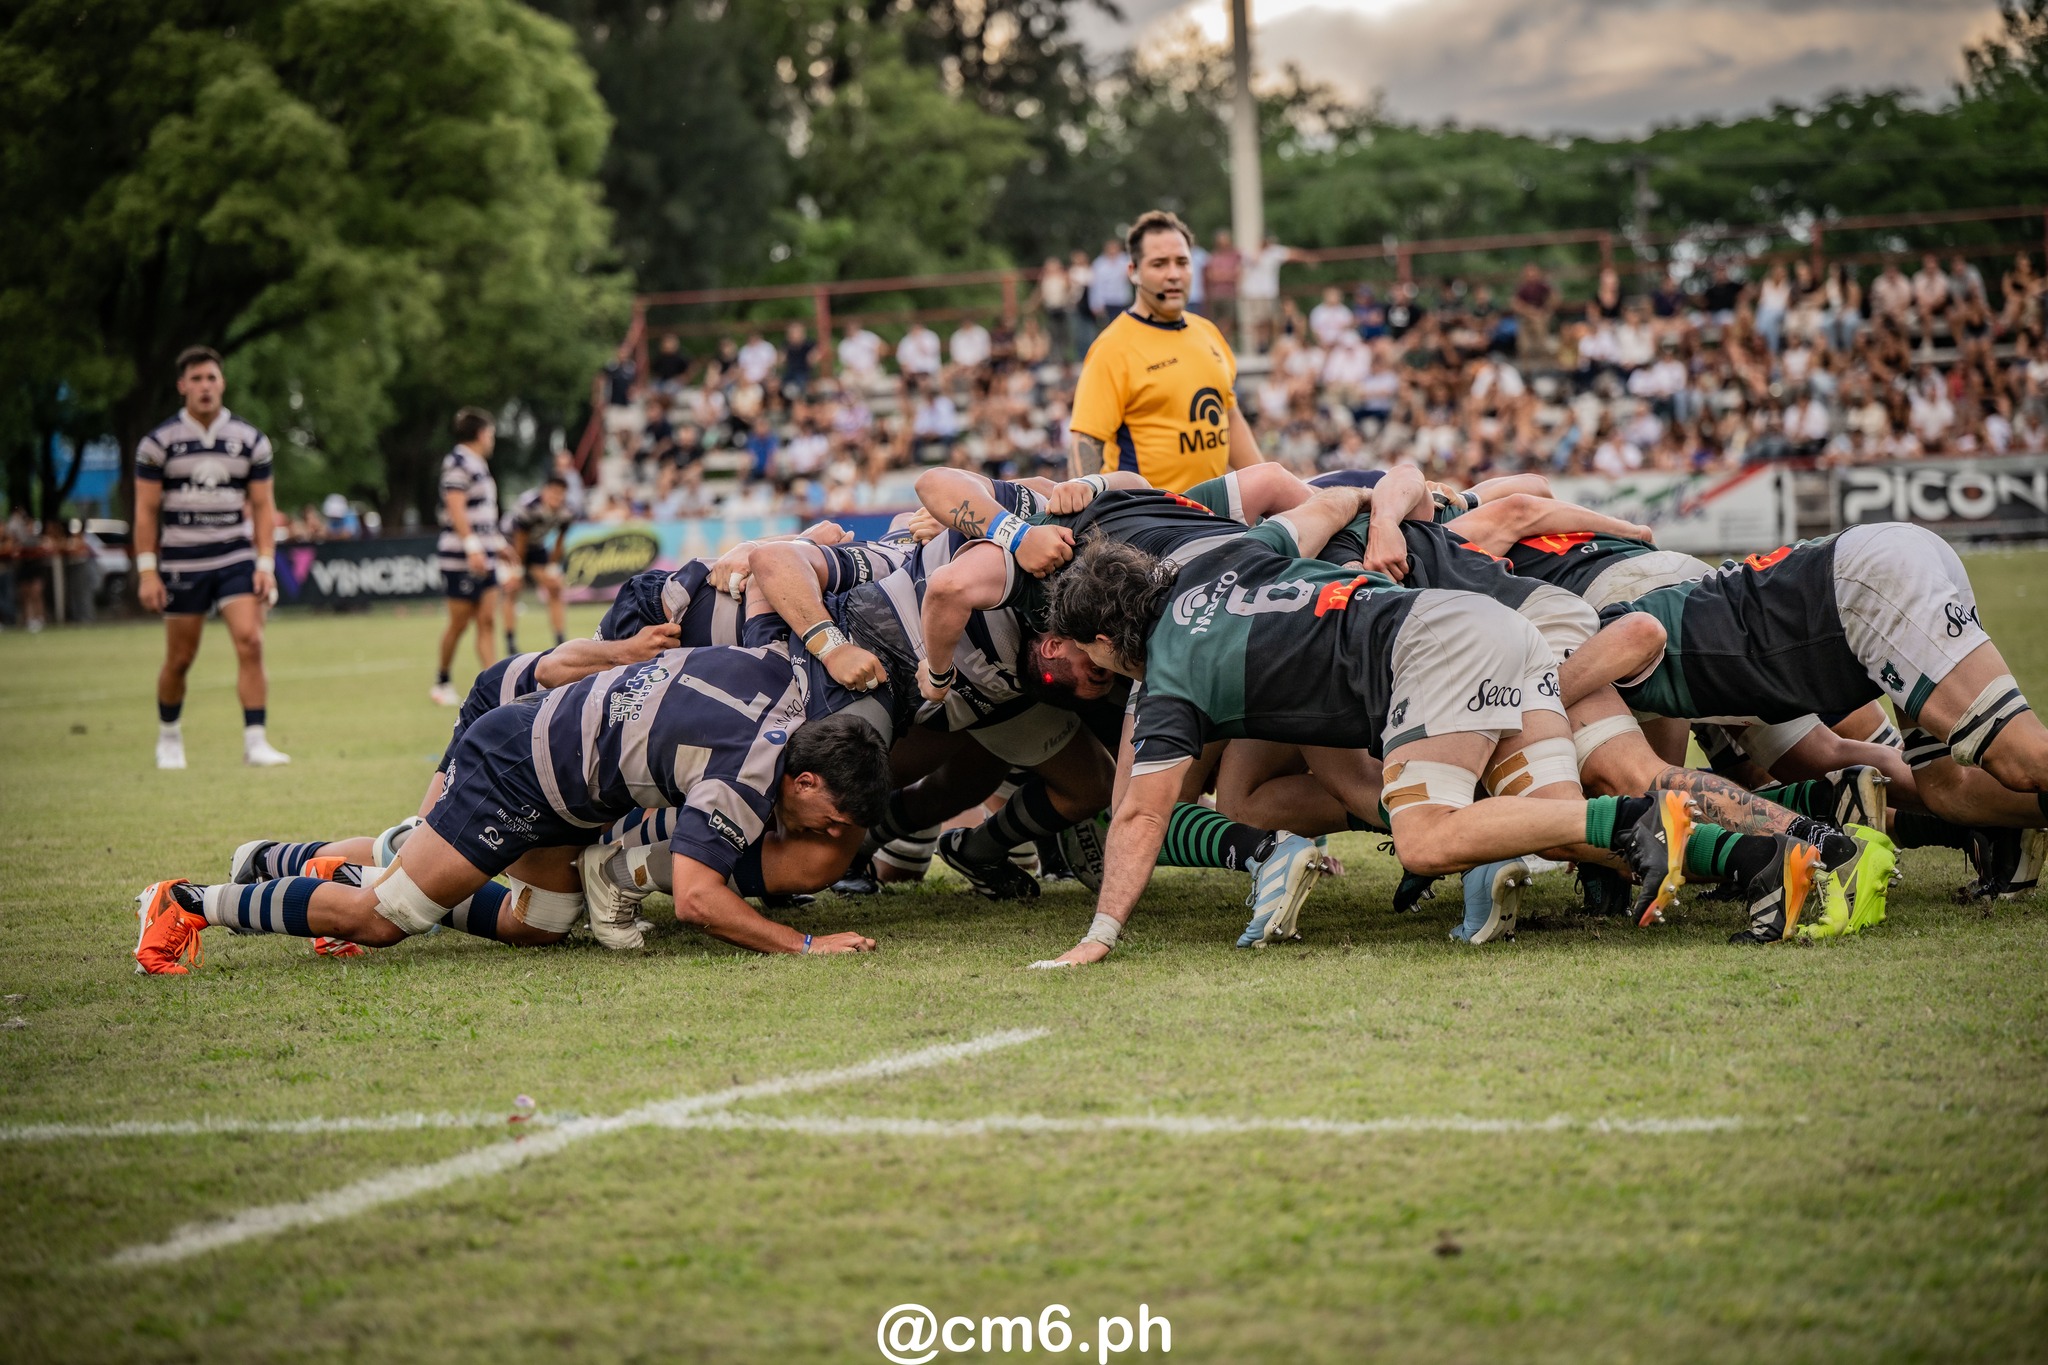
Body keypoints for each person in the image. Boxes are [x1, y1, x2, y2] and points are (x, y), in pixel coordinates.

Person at [133, 642, 895, 972]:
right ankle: (190, 901)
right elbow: (697, 900)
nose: (829, 834)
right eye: (831, 817)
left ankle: (307, 862)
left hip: (570, 781)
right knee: (383, 919)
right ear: (801, 779)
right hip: (520, 771)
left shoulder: (789, 683)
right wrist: (802, 945)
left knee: (541, 926)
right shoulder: (743, 771)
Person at [133, 345, 289, 769]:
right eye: (196, 379)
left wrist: (264, 564)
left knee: (251, 641)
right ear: (182, 385)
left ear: (223, 383)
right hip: (183, 562)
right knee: (181, 659)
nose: (205, 387)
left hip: (235, 557)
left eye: (212, 378)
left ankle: (255, 741)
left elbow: (262, 507)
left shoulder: (251, 441)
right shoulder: (157, 443)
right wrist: (148, 571)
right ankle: (169, 736)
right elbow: (146, 511)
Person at [1066, 210, 1264, 493]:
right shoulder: (1112, 347)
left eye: (1182, 262)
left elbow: (1228, 417)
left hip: (1215, 517)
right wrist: (1080, 510)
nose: (1173, 274)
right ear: (1133, 272)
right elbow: (1086, 440)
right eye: (1159, 264)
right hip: (1152, 520)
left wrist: (1264, 483)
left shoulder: (1208, 332)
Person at [430, 407, 503, 707]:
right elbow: (455, 506)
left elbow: (481, 513)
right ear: (481, 433)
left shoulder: (478, 464)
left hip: (485, 555)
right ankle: (442, 680)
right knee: (459, 622)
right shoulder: (458, 462)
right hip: (461, 558)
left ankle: (497, 687)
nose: (492, 439)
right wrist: (472, 546)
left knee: (487, 620)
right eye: (491, 433)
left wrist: (496, 542)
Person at [499, 474, 575, 654]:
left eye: (560, 494)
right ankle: (510, 642)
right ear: (544, 491)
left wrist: (551, 567)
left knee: (555, 587)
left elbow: (559, 542)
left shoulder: (567, 511)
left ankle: (560, 640)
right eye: (553, 493)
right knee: (512, 589)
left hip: (536, 545)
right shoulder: (529, 507)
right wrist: (517, 571)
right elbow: (520, 540)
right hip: (510, 545)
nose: (556, 498)